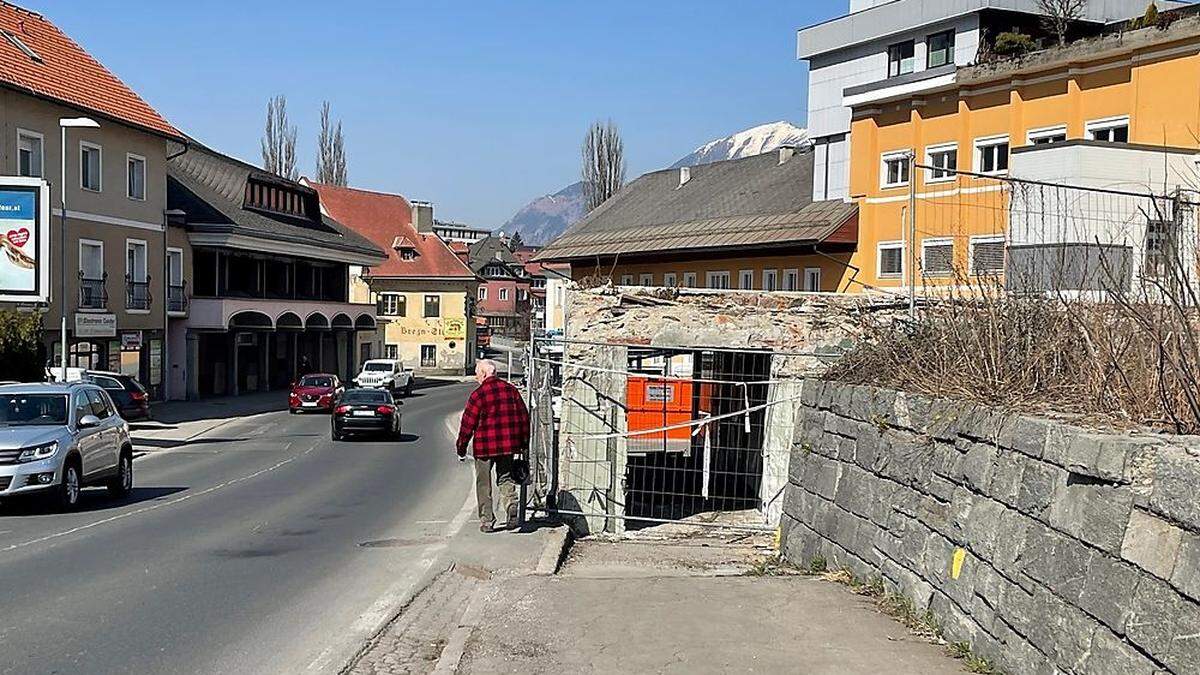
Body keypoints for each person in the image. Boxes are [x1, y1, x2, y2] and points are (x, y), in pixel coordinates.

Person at [456, 359, 530, 533]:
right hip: (508, 445)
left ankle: (487, 520)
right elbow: (523, 418)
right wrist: (523, 443)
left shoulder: (478, 395)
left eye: (476, 374)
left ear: (483, 374)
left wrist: (461, 448)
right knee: (505, 477)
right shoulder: (511, 391)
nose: (476, 377)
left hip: (484, 447)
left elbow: (467, 425)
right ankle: (511, 503)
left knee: (483, 483)